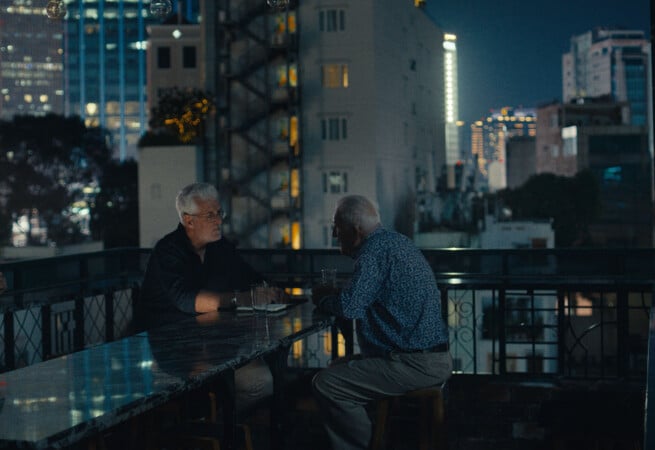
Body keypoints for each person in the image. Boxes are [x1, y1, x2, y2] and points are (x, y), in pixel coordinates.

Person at [311, 195, 452, 450]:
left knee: (327, 384)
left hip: (414, 364)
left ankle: (364, 446)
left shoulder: (372, 253)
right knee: (338, 366)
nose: (333, 234)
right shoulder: (395, 242)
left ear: (355, 231)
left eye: (336, 227)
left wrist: (322, 299)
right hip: (430, 358)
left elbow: (350, 307)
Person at [140, 182, 285, 413]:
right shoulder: (167, 251)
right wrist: (241, 299)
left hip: (215, 342)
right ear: (189, 221)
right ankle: (215, 427)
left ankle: (219, 425)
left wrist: (269, 289)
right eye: (210, 215)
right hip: (173, 350)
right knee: (259, 380)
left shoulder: (219, 247)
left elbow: (247, 275)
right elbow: (186, 299)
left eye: (219, 213)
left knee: (268, 375)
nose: (219, 221)